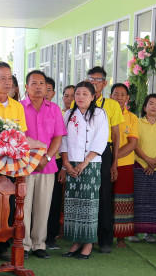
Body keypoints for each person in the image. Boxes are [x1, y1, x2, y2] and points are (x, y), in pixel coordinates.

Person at [0, 61, 27, 262]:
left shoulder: (18, 106)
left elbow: (22, 135)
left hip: (11, 164)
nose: (8, 82)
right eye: (3, 78)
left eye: (10, 78)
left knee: (8, 205)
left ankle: (1, 247)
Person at [59, 81, 108, 259]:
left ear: (93, 96)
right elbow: (62, 140)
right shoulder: (68, 114)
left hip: (91, 164)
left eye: (85, 94)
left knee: (89, 204)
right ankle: (75, 242)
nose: (80, 97)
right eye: (77, 94)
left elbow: (101, 139)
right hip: (71, 163)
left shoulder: (100, 113)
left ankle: (87, 243)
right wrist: (66, 163)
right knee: (73, 202)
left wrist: (84, 163)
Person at [21, 70, 67, 259]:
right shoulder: (19, 107)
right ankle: (23, 245)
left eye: (42, 84)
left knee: (43, 205)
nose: (39, 87)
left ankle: (39, 244)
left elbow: (58, 137)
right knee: (23, 207)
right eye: (34, 83)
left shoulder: (54, 109)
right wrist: (32, 160)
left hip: (47, 165)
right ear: (26, 87)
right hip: (24, 165)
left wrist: (46, 158)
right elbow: (17, 136)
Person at [87, 66, 124, 253]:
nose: (94, 82)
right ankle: (85, 238)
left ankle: (105, 240)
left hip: (104, 152)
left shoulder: (112, 105)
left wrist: (114, 163)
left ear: (104, 83)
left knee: (104, 195)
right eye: (91, 79)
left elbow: (116, 136)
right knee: (86, 193)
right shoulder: (79, 100)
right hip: (83, 152)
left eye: (98, 79)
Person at [131, 94, 156, 243]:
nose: (154, 106)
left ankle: (150, 233)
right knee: (137, 199)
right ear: (145, 107)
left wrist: (154, 162)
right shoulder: (138, 122)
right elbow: (134, 144)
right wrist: (147, 160)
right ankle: (133, 232)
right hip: (139, 165)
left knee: (155, 200)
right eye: (151, 103)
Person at [45, 84, 75, 250]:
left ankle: (51, 236)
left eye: (48, 89)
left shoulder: (61, 112)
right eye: (67, 95)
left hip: (56, 160)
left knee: (55, 201)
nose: (44, 91)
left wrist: (64, 166)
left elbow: (64, 142)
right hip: (37, 160)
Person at [110, 83, 138, 247]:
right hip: (105, 163)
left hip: (125, 164)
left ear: (127, 98)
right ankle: (104, 234)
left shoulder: (132, 118)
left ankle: (121, 237)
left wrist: (114, 157)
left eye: (122, 95)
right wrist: (110, 160)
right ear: (111, 96)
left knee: (123, 200)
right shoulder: (104, 114)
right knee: (106, 199)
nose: (119, 97)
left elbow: (132, 143)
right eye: (116, 94)